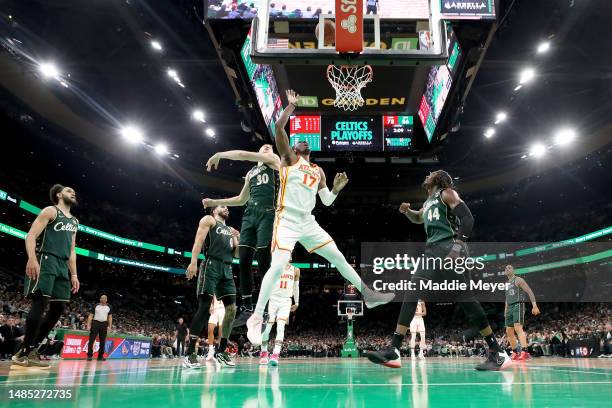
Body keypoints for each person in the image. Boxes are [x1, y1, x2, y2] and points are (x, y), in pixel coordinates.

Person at [246, 89, 393, 346]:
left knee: (339, 257)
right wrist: (291, 106)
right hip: (287, 221)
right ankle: (257, 317)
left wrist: (336, 189)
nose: (303, 141)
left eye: (305, 141)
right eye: (299, 140)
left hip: (308, 222)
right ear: (293, 148)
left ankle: (368, 294)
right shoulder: (289, 159)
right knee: (279, 265)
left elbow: (325, 201)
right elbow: (280, 127)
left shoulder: (318, 171)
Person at [365, 170, 511, 371]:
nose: (428, 174)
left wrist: (457, 247)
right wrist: (407, 211)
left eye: (432, 173)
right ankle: (394, 350)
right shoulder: (428, 202)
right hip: (431, 252)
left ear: (439, 179)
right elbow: (419, 218)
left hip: (450, 248)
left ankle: (497, 351)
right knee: (412, 292)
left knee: (466, 300)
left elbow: (467, 219)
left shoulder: (447, 193)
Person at [204, 145, 280, 327]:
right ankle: (247, 309)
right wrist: (216, 202)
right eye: (264, 146)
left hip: (268, 212)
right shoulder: (251, 172)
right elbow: (241, 199)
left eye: (269, 147)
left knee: (263, 260)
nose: (267, 147)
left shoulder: (274, 160)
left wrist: (220, 153)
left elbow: (243, 154)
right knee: (244, 260)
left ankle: (266, 308)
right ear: (259, 152)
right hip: (250, 215)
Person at [12, 184, 80, 368]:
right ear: (59, 195)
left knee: (58, 308)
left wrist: (74, 274)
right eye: (68, 190)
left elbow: (72, 250)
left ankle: (32, 348)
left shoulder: (74, 222)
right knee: (40, 302)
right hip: (46, 258)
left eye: (73, 191)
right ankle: (24, 352)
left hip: (62, 265)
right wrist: (32, 258)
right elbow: (31, 235)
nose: (72, 192)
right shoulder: (50, 211)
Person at [183, 205, 239, 368]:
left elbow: (236, 254)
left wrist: (239, 239)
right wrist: (193, 262)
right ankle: (190, 353)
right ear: (214, 210)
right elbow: (199, 240)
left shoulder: (230, 229)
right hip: (211, 264)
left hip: (227, 268)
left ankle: (221, 351)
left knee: (232, 309)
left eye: (228, 207)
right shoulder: (209, 220)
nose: (226, 208)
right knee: (204, 306)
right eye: (223, 206)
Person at [260, 262, 300, 366]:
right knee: (267, 328)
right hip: (273, 299)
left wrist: (297, 302)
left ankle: (275, 354)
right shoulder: (275, 266)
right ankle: (264, 352)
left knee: (281, 326)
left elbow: (296, 287)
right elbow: (267, 283)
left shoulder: (296, 270)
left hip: (286, 301)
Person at [504, 264, 540, 360]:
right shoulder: (506, 284)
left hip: (518, 305)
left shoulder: (518, 280)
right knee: (508, 331)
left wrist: (534, 305)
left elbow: (529, 291)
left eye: (509, 267)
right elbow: (507, 299)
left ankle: (525, 351)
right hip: (510, 307)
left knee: (518, 328)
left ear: (513, 270)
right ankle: (515, 352)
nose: (507, 269)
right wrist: (505, 309)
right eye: (506, 268)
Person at [86, 294, 112, 361]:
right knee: (91, 340)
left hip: (104, 324)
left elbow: (110, 317)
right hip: (95, 323)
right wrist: (88, 325)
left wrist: (109, 326)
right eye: (101, 298)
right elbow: (91, 315)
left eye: (104, 298)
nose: (103, 299)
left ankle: (100, 356)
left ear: (106, 300)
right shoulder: (96, 305)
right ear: (100, 299)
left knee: (103, 341)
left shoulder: (109, 307)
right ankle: (89, 356)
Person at [206, 296, 225, 361]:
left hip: (223, 309)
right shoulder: (214, 287)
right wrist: (211, 305)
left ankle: (218, 349)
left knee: (221, 330)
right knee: (210, 329)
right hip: (215, 309)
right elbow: (212, 297)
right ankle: (211, 350)